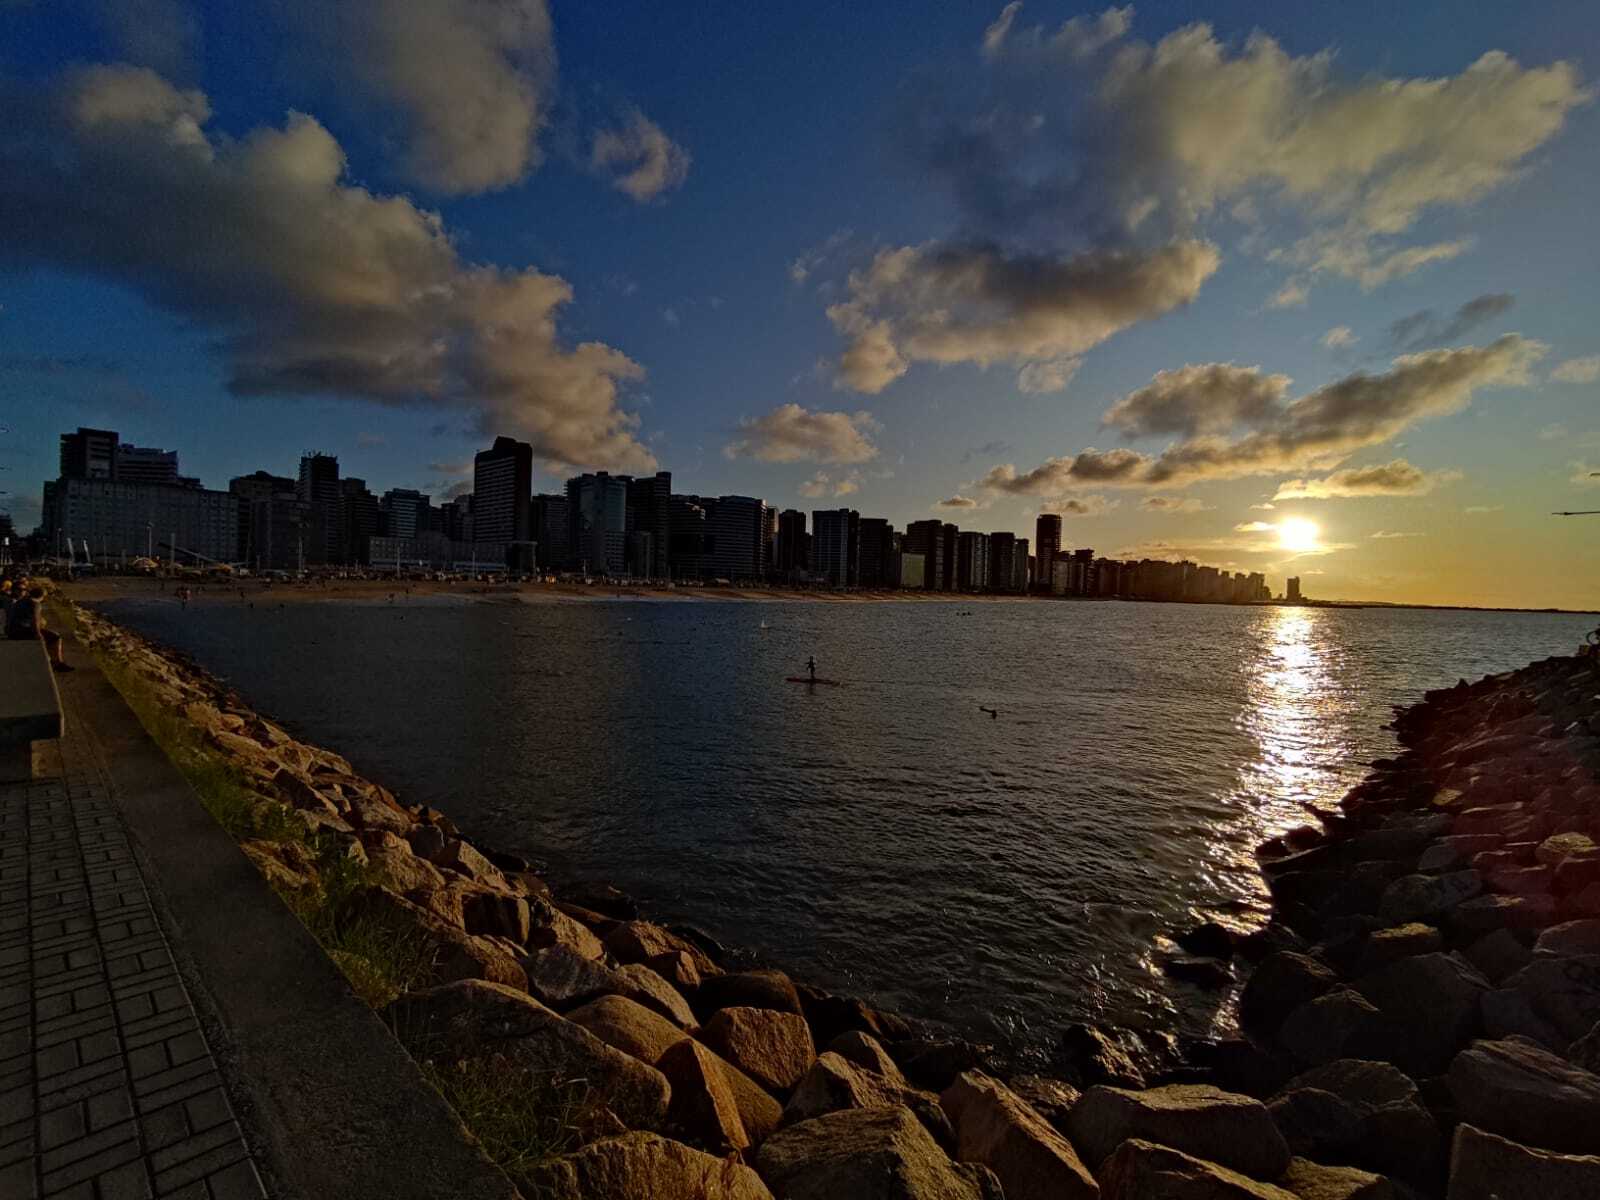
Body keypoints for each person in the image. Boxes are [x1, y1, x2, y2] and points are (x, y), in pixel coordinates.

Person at [6, 582, 73, 672]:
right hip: (20, 631)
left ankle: (53, 661)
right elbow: (35, 620)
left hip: (12, 630)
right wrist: (38, 634)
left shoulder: (22, 601)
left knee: (47, 636)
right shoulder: (35, 604)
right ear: (42, 596)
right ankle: (58, 663)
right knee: (56, 637)